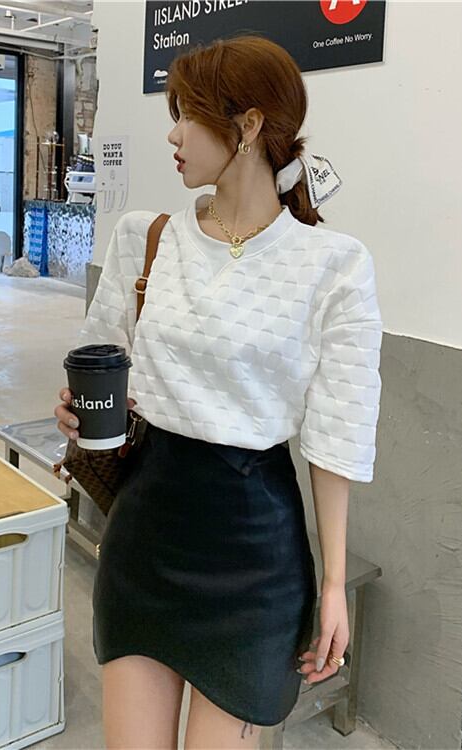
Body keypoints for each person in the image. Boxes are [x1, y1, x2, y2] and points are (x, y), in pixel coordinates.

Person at [54, 35, 383, 749]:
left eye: (188, 116)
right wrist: (80, 417)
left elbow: (336, 436)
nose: (172, 135)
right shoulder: (146, 238)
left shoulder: (333, 265)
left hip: (253, 555)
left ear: (249, 125)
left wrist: (333, 586)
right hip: (144, 533)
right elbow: (103, 373)